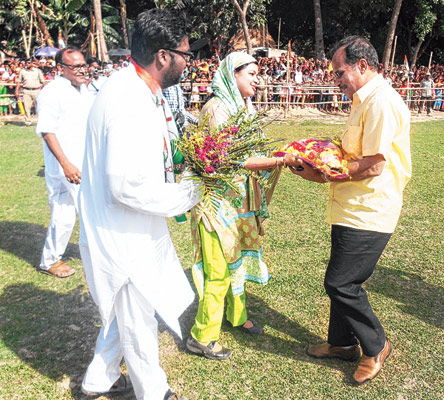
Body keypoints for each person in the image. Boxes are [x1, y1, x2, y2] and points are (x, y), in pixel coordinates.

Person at [78, 9, 201, 400]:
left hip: (130, 225)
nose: (188, 62)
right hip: (122, 231)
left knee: (125, 311)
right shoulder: (128, 99)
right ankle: (154, 392)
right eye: (185, 54)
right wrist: (191, 192)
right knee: (137, 318)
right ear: (163, 56)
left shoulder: (136, 89)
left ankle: (99, 380)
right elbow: (126, 185)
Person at [285, 36, 411, 384]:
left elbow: (373, 165)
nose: (335, 79)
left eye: (340, 72)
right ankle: (342, 344)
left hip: (370, 209)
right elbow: (352, 153)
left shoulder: (381, 103)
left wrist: (326, 174)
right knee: (343, 278)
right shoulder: (362, 100)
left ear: (363, 66)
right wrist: (319, 153)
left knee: (341, 283)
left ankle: (376, 345)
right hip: (351, 206)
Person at [186, 52, 283, 360]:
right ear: (233, 74)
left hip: (239, 202)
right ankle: (202, 336)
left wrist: (274, 158)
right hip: (216, 205)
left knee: (236, 262)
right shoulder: (216, 109)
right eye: (251, 73)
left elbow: (252, 152)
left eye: (258, 73)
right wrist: (277, 160)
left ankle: (237, 315)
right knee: (218, 271)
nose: (257, 79)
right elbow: (231, 159)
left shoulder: (243, 107)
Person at [36, 47, 94, 278]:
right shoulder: (52, 92)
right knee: (87, 210)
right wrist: (66, 164)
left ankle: (50, 260)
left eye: (83, 65)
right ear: (60, 68)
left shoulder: (84, 89)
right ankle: (95, 254)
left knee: (64, 213)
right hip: (67, 166)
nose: (82, 70)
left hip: (83, 161)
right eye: (75, 66)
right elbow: (48, 131)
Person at [15, 58, 46, 125]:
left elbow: (43, 81)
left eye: (29, 63)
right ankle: (28, 122)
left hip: (36, 90)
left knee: (39, 107)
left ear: (32, 63)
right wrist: (17, 90)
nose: (27, 64)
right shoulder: (22, 71)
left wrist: (44, 91)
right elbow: (19, 82)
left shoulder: (38, 71)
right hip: (26, 90)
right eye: (26, 63)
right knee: (27, 107)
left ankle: (40, 122)